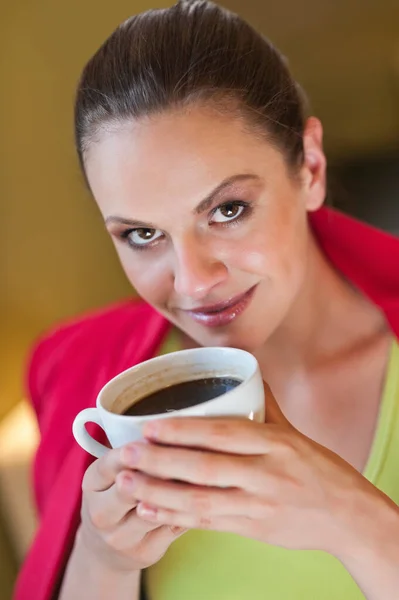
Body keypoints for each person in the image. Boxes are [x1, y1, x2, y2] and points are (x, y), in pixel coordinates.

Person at [14, 1, 399, 599]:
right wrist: (102, 555)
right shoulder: (75, 377)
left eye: (228, 210)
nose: (192, 283)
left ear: (312, 169)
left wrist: (354, 519)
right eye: (142, 234)